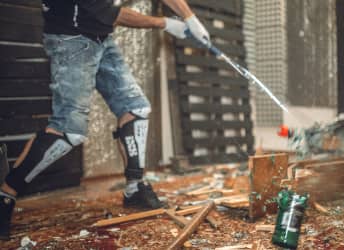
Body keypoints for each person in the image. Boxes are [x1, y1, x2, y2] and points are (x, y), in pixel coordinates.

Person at [0, 0, 210, 240]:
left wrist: (191, 19)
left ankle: (134, 188)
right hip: (71, 39)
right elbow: (113, 14)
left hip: (100, 35)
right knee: (69, 130)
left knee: (135, 108)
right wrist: (166, 23)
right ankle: (5, 195)